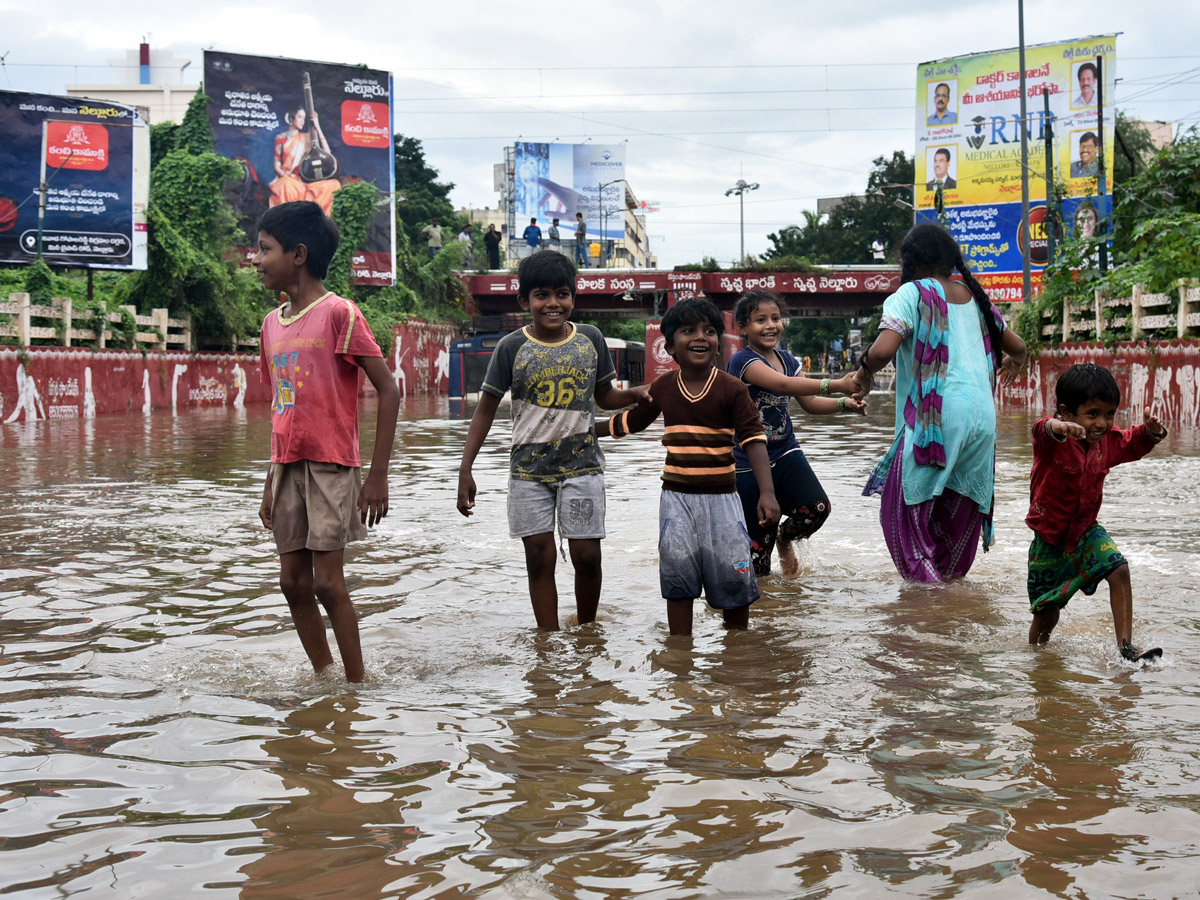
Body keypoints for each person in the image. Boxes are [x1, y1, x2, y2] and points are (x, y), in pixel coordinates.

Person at [455, 250, 650, 632]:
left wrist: (639, 392)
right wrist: (466, 468)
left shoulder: (590, 339)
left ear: (574, 297)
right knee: (539, 559)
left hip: (583, 466)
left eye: (562, 293)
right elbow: (486, 410)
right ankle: (547, 642)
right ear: (524, 301)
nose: (553, 304)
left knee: (587, 554)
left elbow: (605, 398)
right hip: (528, 474)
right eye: (541, 295)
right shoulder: (510, 347)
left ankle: (588, 633)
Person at [254, 201, 400, 683]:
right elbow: (281, 405)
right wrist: (269, 480)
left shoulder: (341, 313)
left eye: (264, 249)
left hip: (333, 465)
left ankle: (357, 687)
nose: (256, 260)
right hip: (287, 466)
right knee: (291, 582)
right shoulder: (271, 325)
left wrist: (376, 476)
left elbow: (389, 389)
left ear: (298, 254)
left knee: (327, 584)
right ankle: (324, 678)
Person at [850, 222, 1028, 583]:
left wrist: (863, 371)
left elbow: (882, 350)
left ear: (911, 263)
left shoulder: (911, 293)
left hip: (935, 418)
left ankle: (927, 603)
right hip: (981, 421)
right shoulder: (975, 298)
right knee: (955, 515)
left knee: (902, 515)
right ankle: (950, 604)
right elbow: (1020, 348)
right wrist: (1014, 363)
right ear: (951, 259)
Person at [597, 298, 781, 636]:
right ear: (669, 347)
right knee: (678, 573)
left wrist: (766, 493)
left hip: (724, 501)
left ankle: (737, 649)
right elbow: (631, 423)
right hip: (676, 501)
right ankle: (680, 653)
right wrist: (586, 431)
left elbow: (753, 438)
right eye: (688, 331)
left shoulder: (732, 388)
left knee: (732, 576)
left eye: (709, 331)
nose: (700, 337)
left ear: (718, 344)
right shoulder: (663, 388)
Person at [1026, 364, 1167, 662]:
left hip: (1086, 531)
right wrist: (1058, 427)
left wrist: (1151, 433)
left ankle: (1127, 648)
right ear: (1065, 411)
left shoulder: (1105, 442)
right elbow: (1041, 429)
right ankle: (1037, 663)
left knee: (1119, 569)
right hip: (1049, 541)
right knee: (1047, 614)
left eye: (1109, 414)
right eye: (1092, 414)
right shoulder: (1052, 441)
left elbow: (1131, 443)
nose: (1102, 423)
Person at [728, 290, 866, 577]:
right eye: (760, 320)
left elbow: (810, 404)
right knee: (758, 551)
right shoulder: (742, 361)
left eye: (775, 318)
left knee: (817, 507)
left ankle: (785, 538)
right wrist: (837, 384)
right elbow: (785, 386)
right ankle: (767, 612)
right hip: (748, 459)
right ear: (742, 327)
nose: (770, 326)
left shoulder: (788, 360)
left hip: (785, 449)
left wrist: (844, 404)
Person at [269, 106, 339, 214]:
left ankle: (316, 219)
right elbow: (277, 166)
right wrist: (286, 176)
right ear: (291, 118)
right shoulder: (281, 138)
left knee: (333, 184)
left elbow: (327, 154)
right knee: (286, 184)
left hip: (304, 182)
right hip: (286, 179)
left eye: (304, 118)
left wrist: (317, 126)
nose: (302, 121)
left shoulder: (307, 138)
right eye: (300, 117)